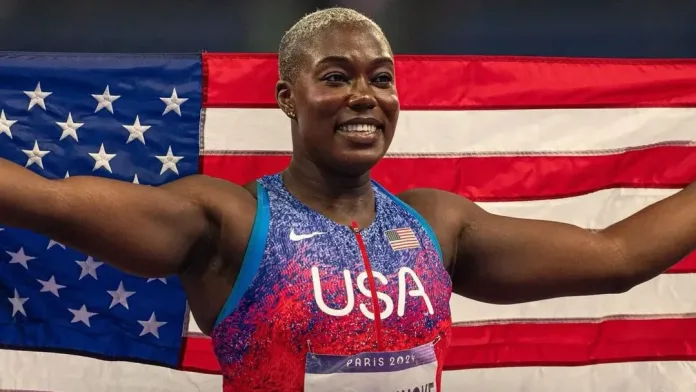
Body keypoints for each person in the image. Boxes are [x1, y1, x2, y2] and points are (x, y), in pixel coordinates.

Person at [0, 6, 695, 392]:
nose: (365, 95)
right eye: (336, 76)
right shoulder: (229, 222)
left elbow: (617, 255)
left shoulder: (436, 224)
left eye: (382, 79)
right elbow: (45, 201)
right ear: (287, 98)